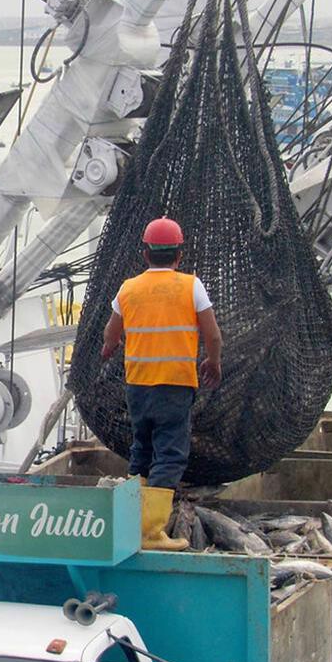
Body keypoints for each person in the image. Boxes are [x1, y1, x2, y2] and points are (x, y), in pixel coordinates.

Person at [100, 216, 223, 551]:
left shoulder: (128, 288)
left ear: (145, 253)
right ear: (179, 255)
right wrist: (213, 362)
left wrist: (110, 347)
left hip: (138, 386)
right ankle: (151, 533)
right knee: (169, 453)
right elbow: (212, 335)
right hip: (174, 385)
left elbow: (110, 334)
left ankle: (132, 524)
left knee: (142, 449)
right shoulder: (191, 286)